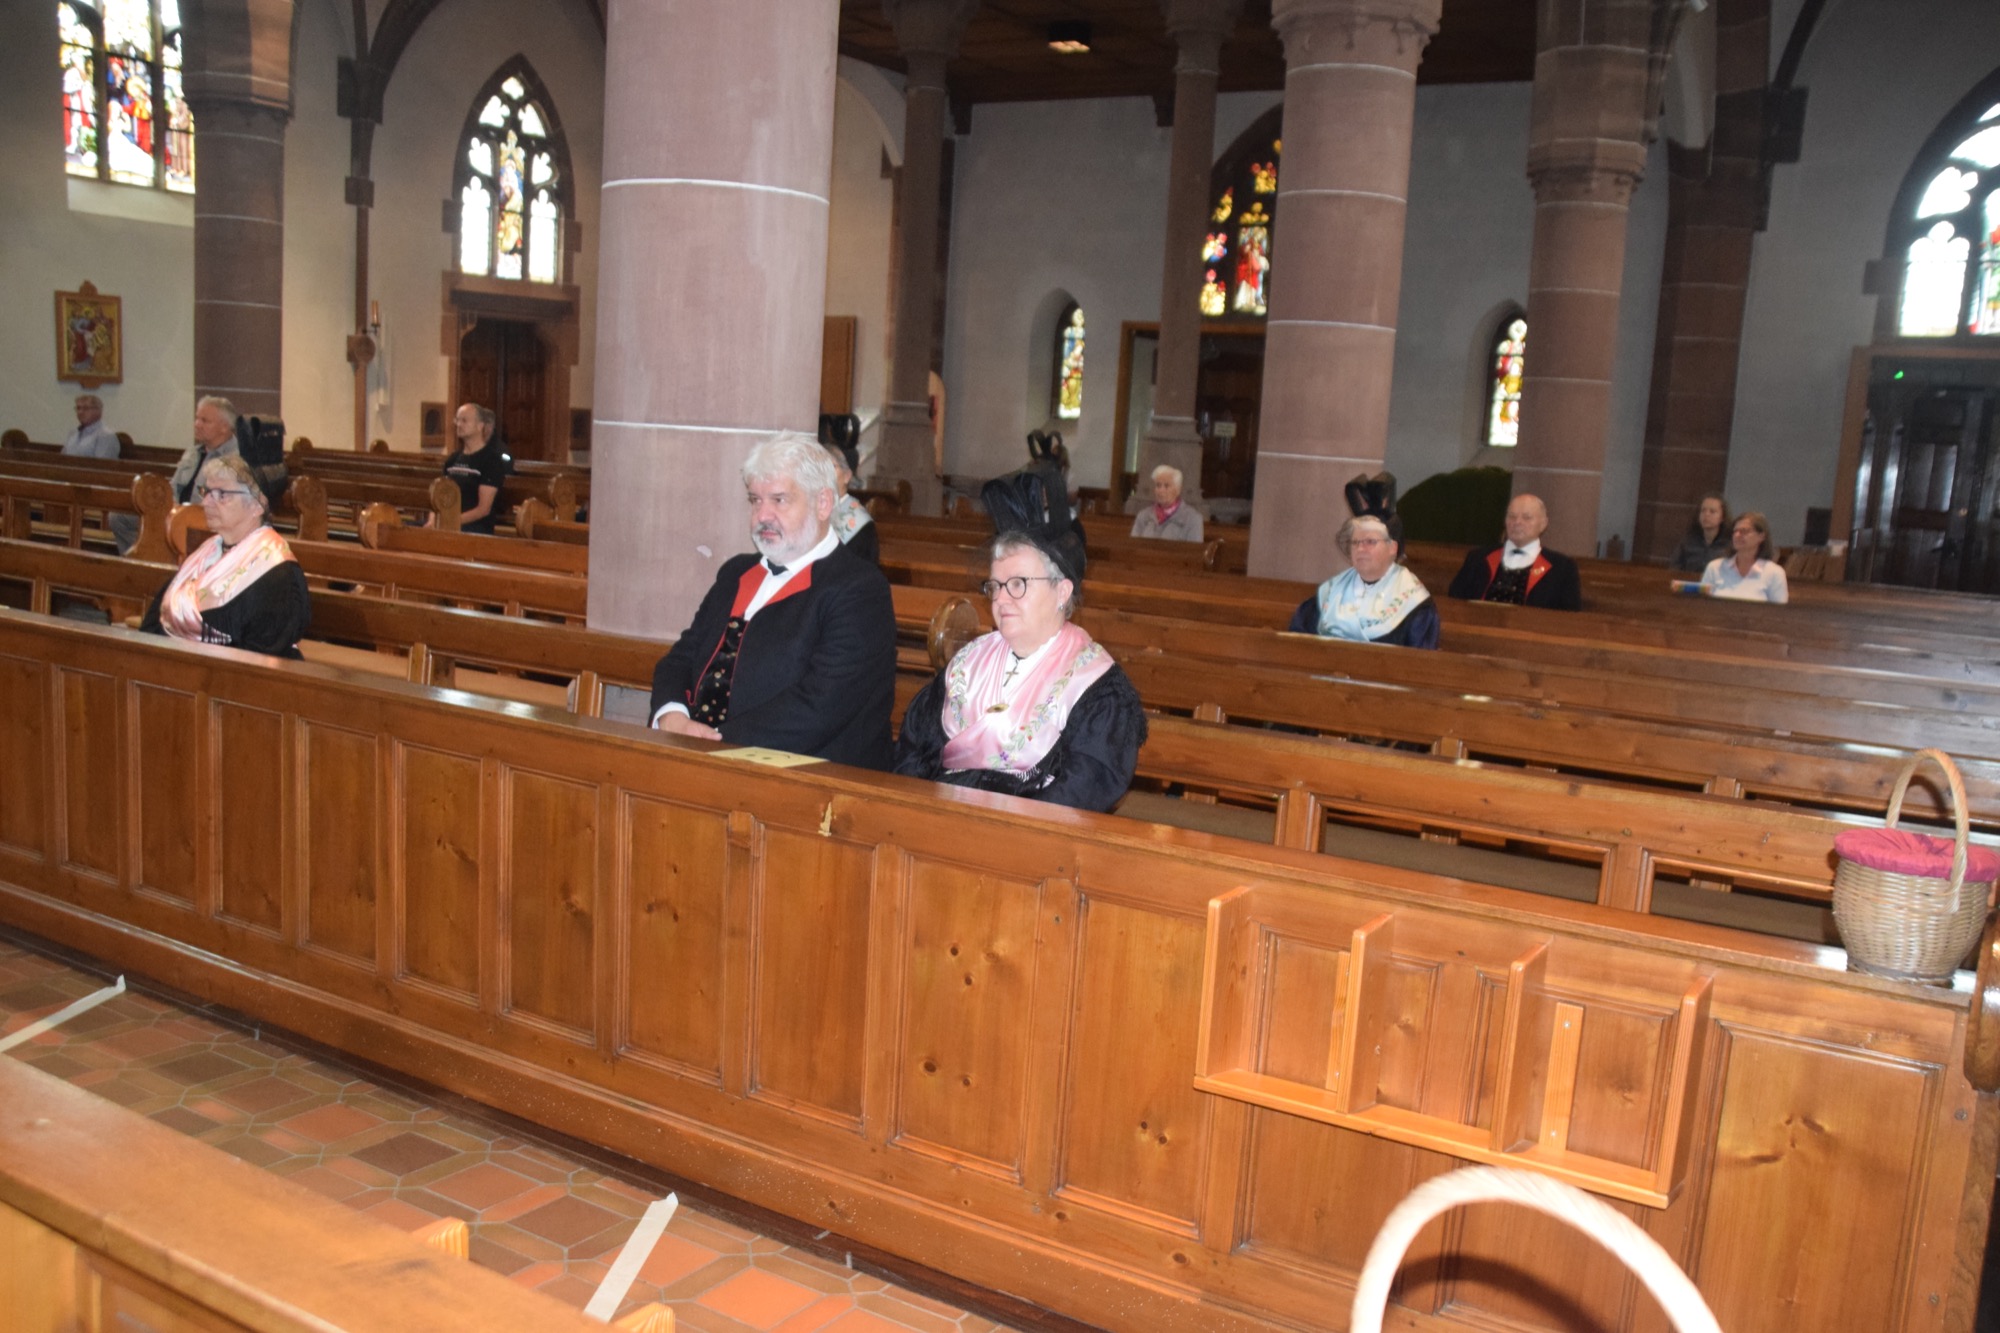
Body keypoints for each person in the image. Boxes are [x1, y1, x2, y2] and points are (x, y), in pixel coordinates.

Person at [648, 431, 897, 768]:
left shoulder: (860, 590)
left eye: (779, 500)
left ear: (823, 503)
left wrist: (712, 743)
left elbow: (820, 706)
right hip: (707, 759)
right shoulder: (736, 573)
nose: (763, 515)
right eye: (755, 500)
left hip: (811, 778)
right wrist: (672, 716)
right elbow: (681, 657)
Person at [894, 529, 1146, 812]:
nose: (1001, 599)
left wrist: (1003, 826)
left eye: (1017, 584)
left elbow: (1085, 789)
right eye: (995, 586)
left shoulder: (1092, 681)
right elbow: (913, 752)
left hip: (1031, 829)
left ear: (1062, 592)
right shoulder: (968, 662)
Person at [138, 454, 310, 658]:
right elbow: (158, 616)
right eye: (207, 492)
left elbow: (259, 659)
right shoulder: (207, 552)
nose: (206, 502)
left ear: (257, 505)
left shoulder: (276, 572)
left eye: (222, 494)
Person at [114, 395, 243, 555]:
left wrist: (182, 513)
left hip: (202, 518)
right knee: (120, 518)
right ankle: (143, 560)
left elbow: (223, 501)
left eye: (205, 421)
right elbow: (174, 486)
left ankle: (166, 558)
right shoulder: (194, 452)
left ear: (224, 427)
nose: (197, 424)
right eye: (197, 418)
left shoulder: (236, 458)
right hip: (174, 511)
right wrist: (167, 506)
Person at [1288, 515, 1440, 648]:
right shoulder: (1329, 594)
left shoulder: (1416, 605)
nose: (1360, 548)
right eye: (1355, 542)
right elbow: (1298, 646)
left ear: (1392, 547)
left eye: (1370, 541)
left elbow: (1419, 664)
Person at [1446, 493, 1583, 610]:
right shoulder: (1478, 558)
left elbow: (1569, 616)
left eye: (1526, 517)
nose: (1517, 522)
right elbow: (1454, 601)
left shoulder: (1562, 568)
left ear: (1543, 524)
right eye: (1511, 516)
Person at [438, 403, 511, 534]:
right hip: (448, 523)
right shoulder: (453, 460)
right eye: (457, 420)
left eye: (464, 420)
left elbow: (483, 509)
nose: (459, 424)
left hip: (474, 527)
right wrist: (433, 520)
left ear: (480, 426)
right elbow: (439, 496)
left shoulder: (491, 461)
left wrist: (450, 522)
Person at [1701, 510, 1790, 603]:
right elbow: (1702, 604)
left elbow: (1779, 610)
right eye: (1735, 531)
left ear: (1761, 536)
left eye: (1744, 531)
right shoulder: (1715, 567)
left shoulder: (1774, 573)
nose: (1737, 535)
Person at [823, 442, 878, 564]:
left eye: (831, 466)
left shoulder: (861, 524)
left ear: (847, 476)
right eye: (820, 467)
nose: (824, 473)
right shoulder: (811, 510)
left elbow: (864, 569)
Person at [1129, 464, 1203, 542]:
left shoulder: (1192, 519)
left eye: (1166, 486)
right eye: (1158, 485)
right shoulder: (1143, 516)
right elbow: (1134, 545)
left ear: (1178, 490)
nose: (1161, 490)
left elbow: (1194, 549)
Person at [1669, 492, 1731, 573]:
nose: (1706, 515)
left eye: (1712, 512)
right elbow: (1675, 567)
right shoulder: (1688, 541)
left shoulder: (1729, 543)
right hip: (1689, 580)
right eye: (1703, 511)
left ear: (1722, 517)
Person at [61, 394, 119, 458]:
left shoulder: (106, 436)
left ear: (98, 411)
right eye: (78, 408)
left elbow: (102, 463)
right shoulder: (73, 433)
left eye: (86, 408)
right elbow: (62, 458)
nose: (80, 412)